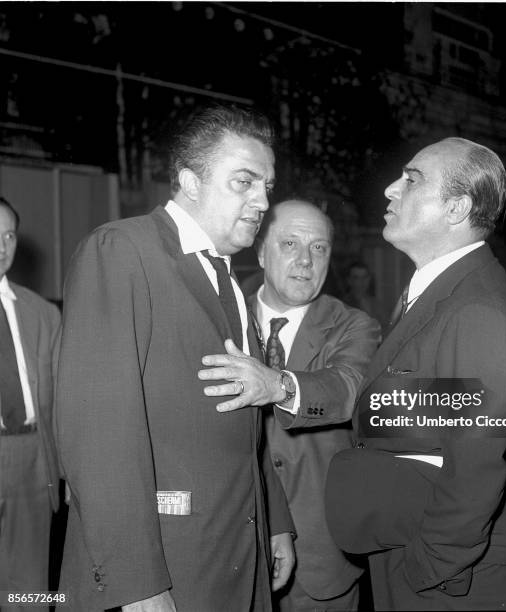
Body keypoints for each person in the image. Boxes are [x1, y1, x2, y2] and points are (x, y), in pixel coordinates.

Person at [56, 106, 295, 612]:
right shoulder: (121, 250)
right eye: (244, 182)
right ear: (190, 181)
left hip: (236, 550)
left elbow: (242, 424)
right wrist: (134, 582)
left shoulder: (225, 275)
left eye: (267, 186)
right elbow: (96, 430)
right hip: (166, 565)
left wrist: (274, 522)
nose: (262, 201)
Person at [324, 137, 506, 610]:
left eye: (412, 179)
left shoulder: (475, 310)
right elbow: (436, 422)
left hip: (447, 579)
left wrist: (428, 568)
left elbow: (477, 468)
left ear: (457, 208)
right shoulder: (444, 293)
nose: (390, 191)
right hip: (415, 552)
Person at [200, 199, 379, 610]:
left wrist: (277, 385)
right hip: (231, 545)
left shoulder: (355, 325)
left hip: (320, 557)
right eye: (290, 244)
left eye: (319, 248)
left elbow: (347, 387)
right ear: (261, 250)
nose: (305, 260)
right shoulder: (217, 315)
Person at [0, 197, 61, 605]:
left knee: (29, 593)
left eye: (8, 235)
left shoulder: (43, 314)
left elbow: (62, 402)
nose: (2, 246)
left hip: (32, 460)